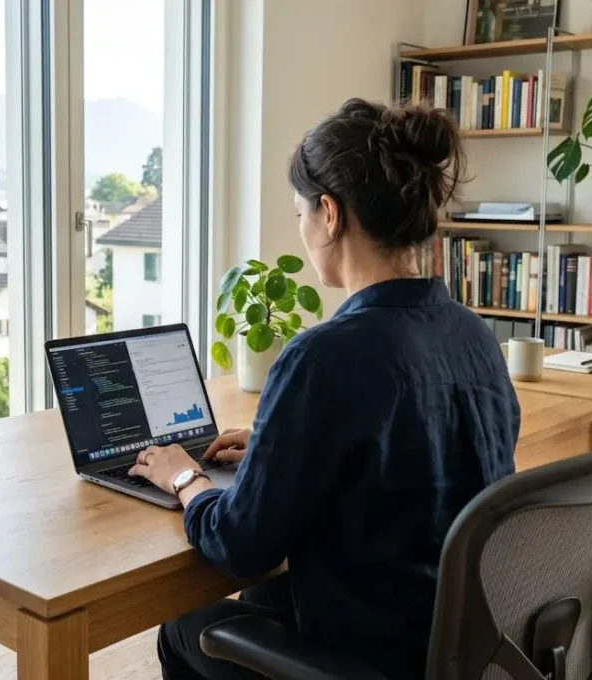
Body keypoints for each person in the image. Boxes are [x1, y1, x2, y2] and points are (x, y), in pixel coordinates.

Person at [128, 98, 521, 679]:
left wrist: (183, 477)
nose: (303, 231)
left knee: (185, 626)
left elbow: (241, 546)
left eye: (301, 214)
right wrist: (276, 442)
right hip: (463, 643)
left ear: (330, 215)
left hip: (373, 653)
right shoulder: (473, 334)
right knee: (262, 603)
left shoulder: (321, 357)